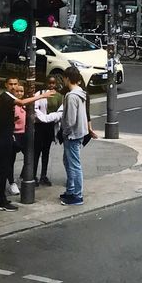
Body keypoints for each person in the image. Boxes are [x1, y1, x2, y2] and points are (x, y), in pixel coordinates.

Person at [0, 76, 45, 211]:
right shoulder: (5, 97)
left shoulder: (7, 97)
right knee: (2, 168)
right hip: (2, 137)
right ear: (6, 85)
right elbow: (22, 102)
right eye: (11, 84)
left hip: (5, 136)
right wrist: (42, 96)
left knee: (2, 168)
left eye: (15, 84)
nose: (14, 86)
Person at [58, 66, 98, 205]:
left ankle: (77, 195)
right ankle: (71, 190)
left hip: (72, 134)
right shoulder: (81, 93)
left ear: (67, 78)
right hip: (80, 132)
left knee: (74, 164)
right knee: (69, 161)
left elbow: (70, 119)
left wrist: (65, 131)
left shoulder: (71, 96)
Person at [33, 74, 63, 185]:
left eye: (53, 83)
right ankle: (33, 175)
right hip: (39, 126)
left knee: (46, 151)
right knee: (36, 152)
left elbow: (60, 111)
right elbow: (35, 108)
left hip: (50, 126)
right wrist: (44, 118)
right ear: (46, 83)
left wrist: (50, 119)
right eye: (49, 83)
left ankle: (43, 175)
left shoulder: (59, 96)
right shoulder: (40, 94)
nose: (51, 85)